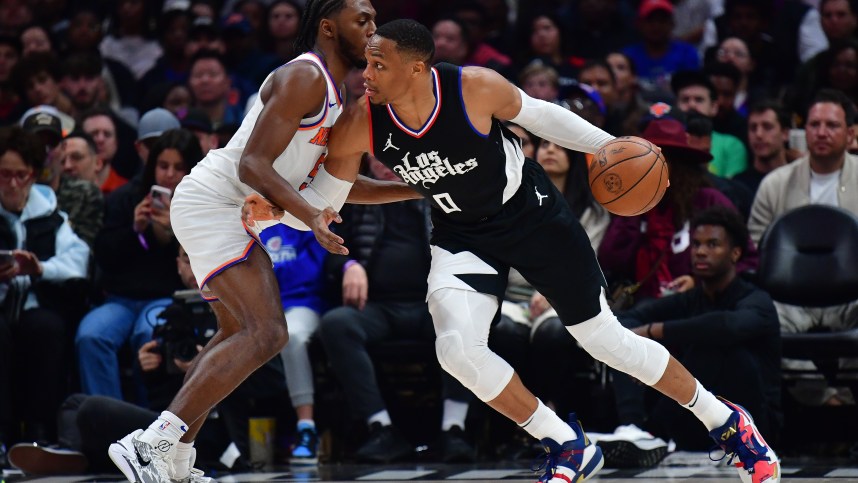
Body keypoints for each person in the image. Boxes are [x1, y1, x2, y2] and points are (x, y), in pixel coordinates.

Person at [257, 19, 780, 483]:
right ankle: (567, 444)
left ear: (417, 69)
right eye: (365, 62)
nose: (364, 74)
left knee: (605, 341)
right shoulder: (360, 121)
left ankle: (727, 422)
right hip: (462, 234)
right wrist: (277, 214)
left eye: (378, 64)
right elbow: (330, 194)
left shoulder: (473, 88)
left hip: (533, 217)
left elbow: (542, 118)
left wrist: (605, 146)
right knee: (456, 350)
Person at [106, 2, 412, 483]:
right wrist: (310, 216)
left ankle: (177, 460)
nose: (373, 31)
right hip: (214, 203)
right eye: (363, 21)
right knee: (269, 332)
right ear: (329, 27)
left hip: (231, 211)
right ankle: (150, 444)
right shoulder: (305, 78)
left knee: (235, 336)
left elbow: (346, 188)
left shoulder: (334, 96)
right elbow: (252, 165)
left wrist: (423, 188)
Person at [595, 206, 781, 466]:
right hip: (693, 426)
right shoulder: (689, 299)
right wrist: (639, 346)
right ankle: (634, 428)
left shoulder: (757, 300)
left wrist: (656, 333)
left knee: (716, 348)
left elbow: (726, 327)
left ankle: (655, 433)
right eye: (696, 244)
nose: (701, 252)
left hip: (756, 424)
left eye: (713, 244)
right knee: (626, 336)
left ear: (735, 253)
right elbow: (627, 320)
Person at [748, 89, 858, 340]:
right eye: (814, 124)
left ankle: (846, 380)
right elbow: (755, 250)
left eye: (832, 125)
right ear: (803, 130)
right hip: (789, 301)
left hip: (853, 299)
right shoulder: (774, 183)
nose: (821, 132)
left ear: (850, 134)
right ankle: (807, 379)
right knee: (756, 313)